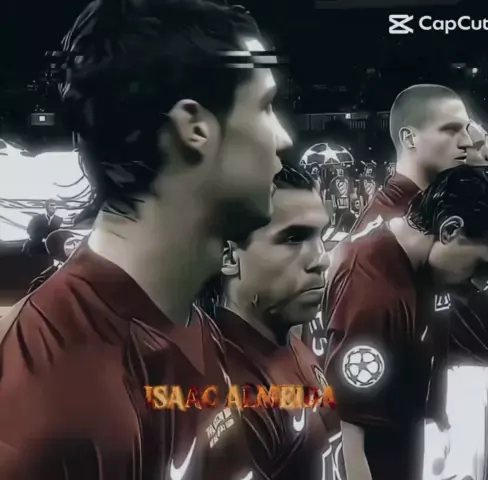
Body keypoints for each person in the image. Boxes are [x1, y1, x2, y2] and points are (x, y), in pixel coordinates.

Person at [0, 0, 292, 479]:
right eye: (265, 106)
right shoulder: (55, 407)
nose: (282, 137)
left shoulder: (181, 315)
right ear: (194, 128)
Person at [320, 165, 488, 480]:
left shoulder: (421, 270)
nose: (479, 284)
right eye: (480, 266)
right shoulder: (372, 291)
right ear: (450, 230)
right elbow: (349, 436)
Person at [197, 162, 351, 479]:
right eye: (293, 238)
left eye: (320, 235)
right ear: (228, 256)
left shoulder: (285, 341)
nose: (321, 259)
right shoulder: (225, 389)